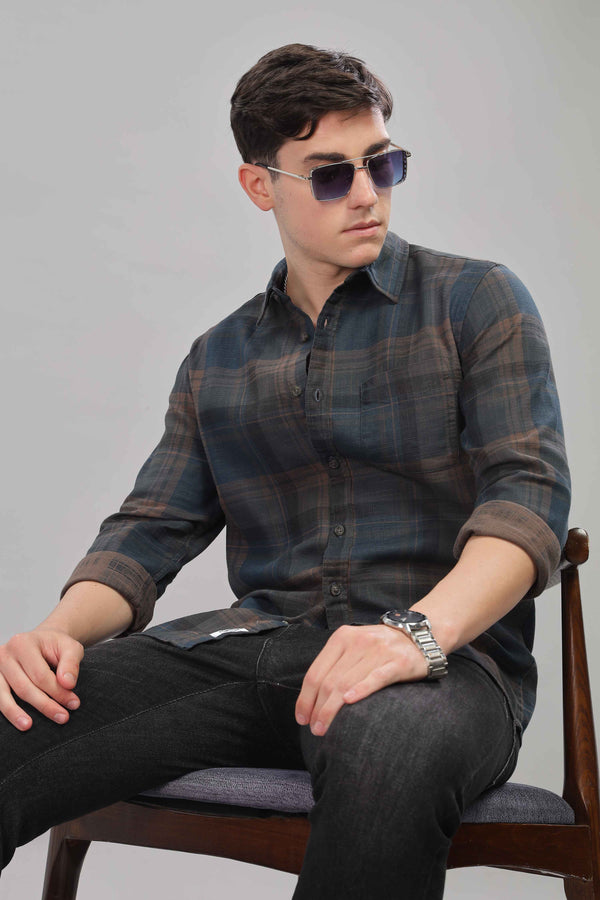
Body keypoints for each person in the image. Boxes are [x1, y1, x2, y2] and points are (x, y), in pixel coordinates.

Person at [0, 43, 570, 899]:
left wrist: (410, 635)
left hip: (441, 666)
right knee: (15, 719)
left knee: (386, 743)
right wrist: (58, 635)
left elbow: (528, 501)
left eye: (383, 163)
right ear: (259, 186)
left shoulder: (475, 302)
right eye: (332, 174)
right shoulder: (218, 356)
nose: (368, 192)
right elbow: (150, 528)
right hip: (257, 654)